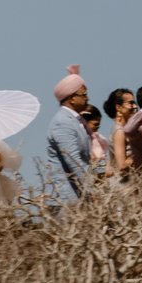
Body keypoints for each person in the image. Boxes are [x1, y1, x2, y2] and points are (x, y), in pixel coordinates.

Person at [46, 66, 98, 198]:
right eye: (84, 94)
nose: (87, 98)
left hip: (79, 194)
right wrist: (94, 190)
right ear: (72, 98)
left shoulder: (76, 120)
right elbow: (73, 160)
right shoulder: (62, 122)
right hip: (68, 198)